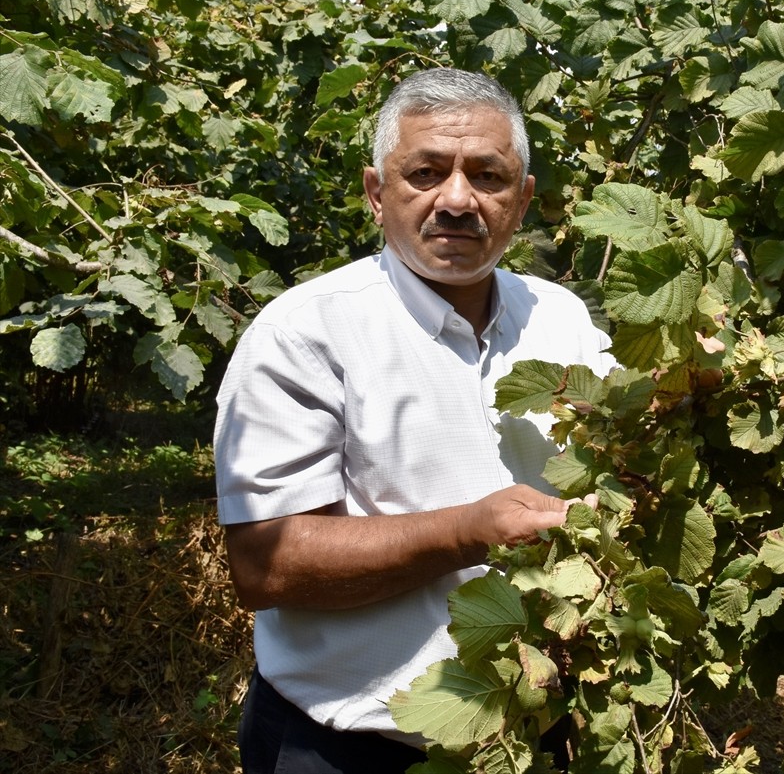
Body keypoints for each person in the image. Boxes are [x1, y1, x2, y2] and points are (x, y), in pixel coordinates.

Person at [213, 67, 614, 773]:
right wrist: (468, 531)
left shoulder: (561, 318)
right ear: (376, 193)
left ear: (522, 201)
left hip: (529, 736)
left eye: (487, 177)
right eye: (425, 172)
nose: (456, 199)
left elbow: (620, 458)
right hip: (346, 748)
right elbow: (263, 563)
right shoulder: (306, 335)